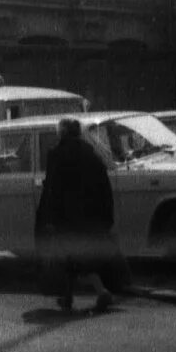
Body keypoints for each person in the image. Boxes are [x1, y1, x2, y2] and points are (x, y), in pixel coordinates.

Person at [35, 117, 128, 314]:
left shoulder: (57, 155)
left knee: (68, 257)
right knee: (78, 258)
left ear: (62, 133)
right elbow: (104, 188)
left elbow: (53, 189)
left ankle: (90, 292)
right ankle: (71, 296)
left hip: (66, 218)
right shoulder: (92, 155)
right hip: (91, 218)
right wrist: (106, 217)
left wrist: (49, 218)